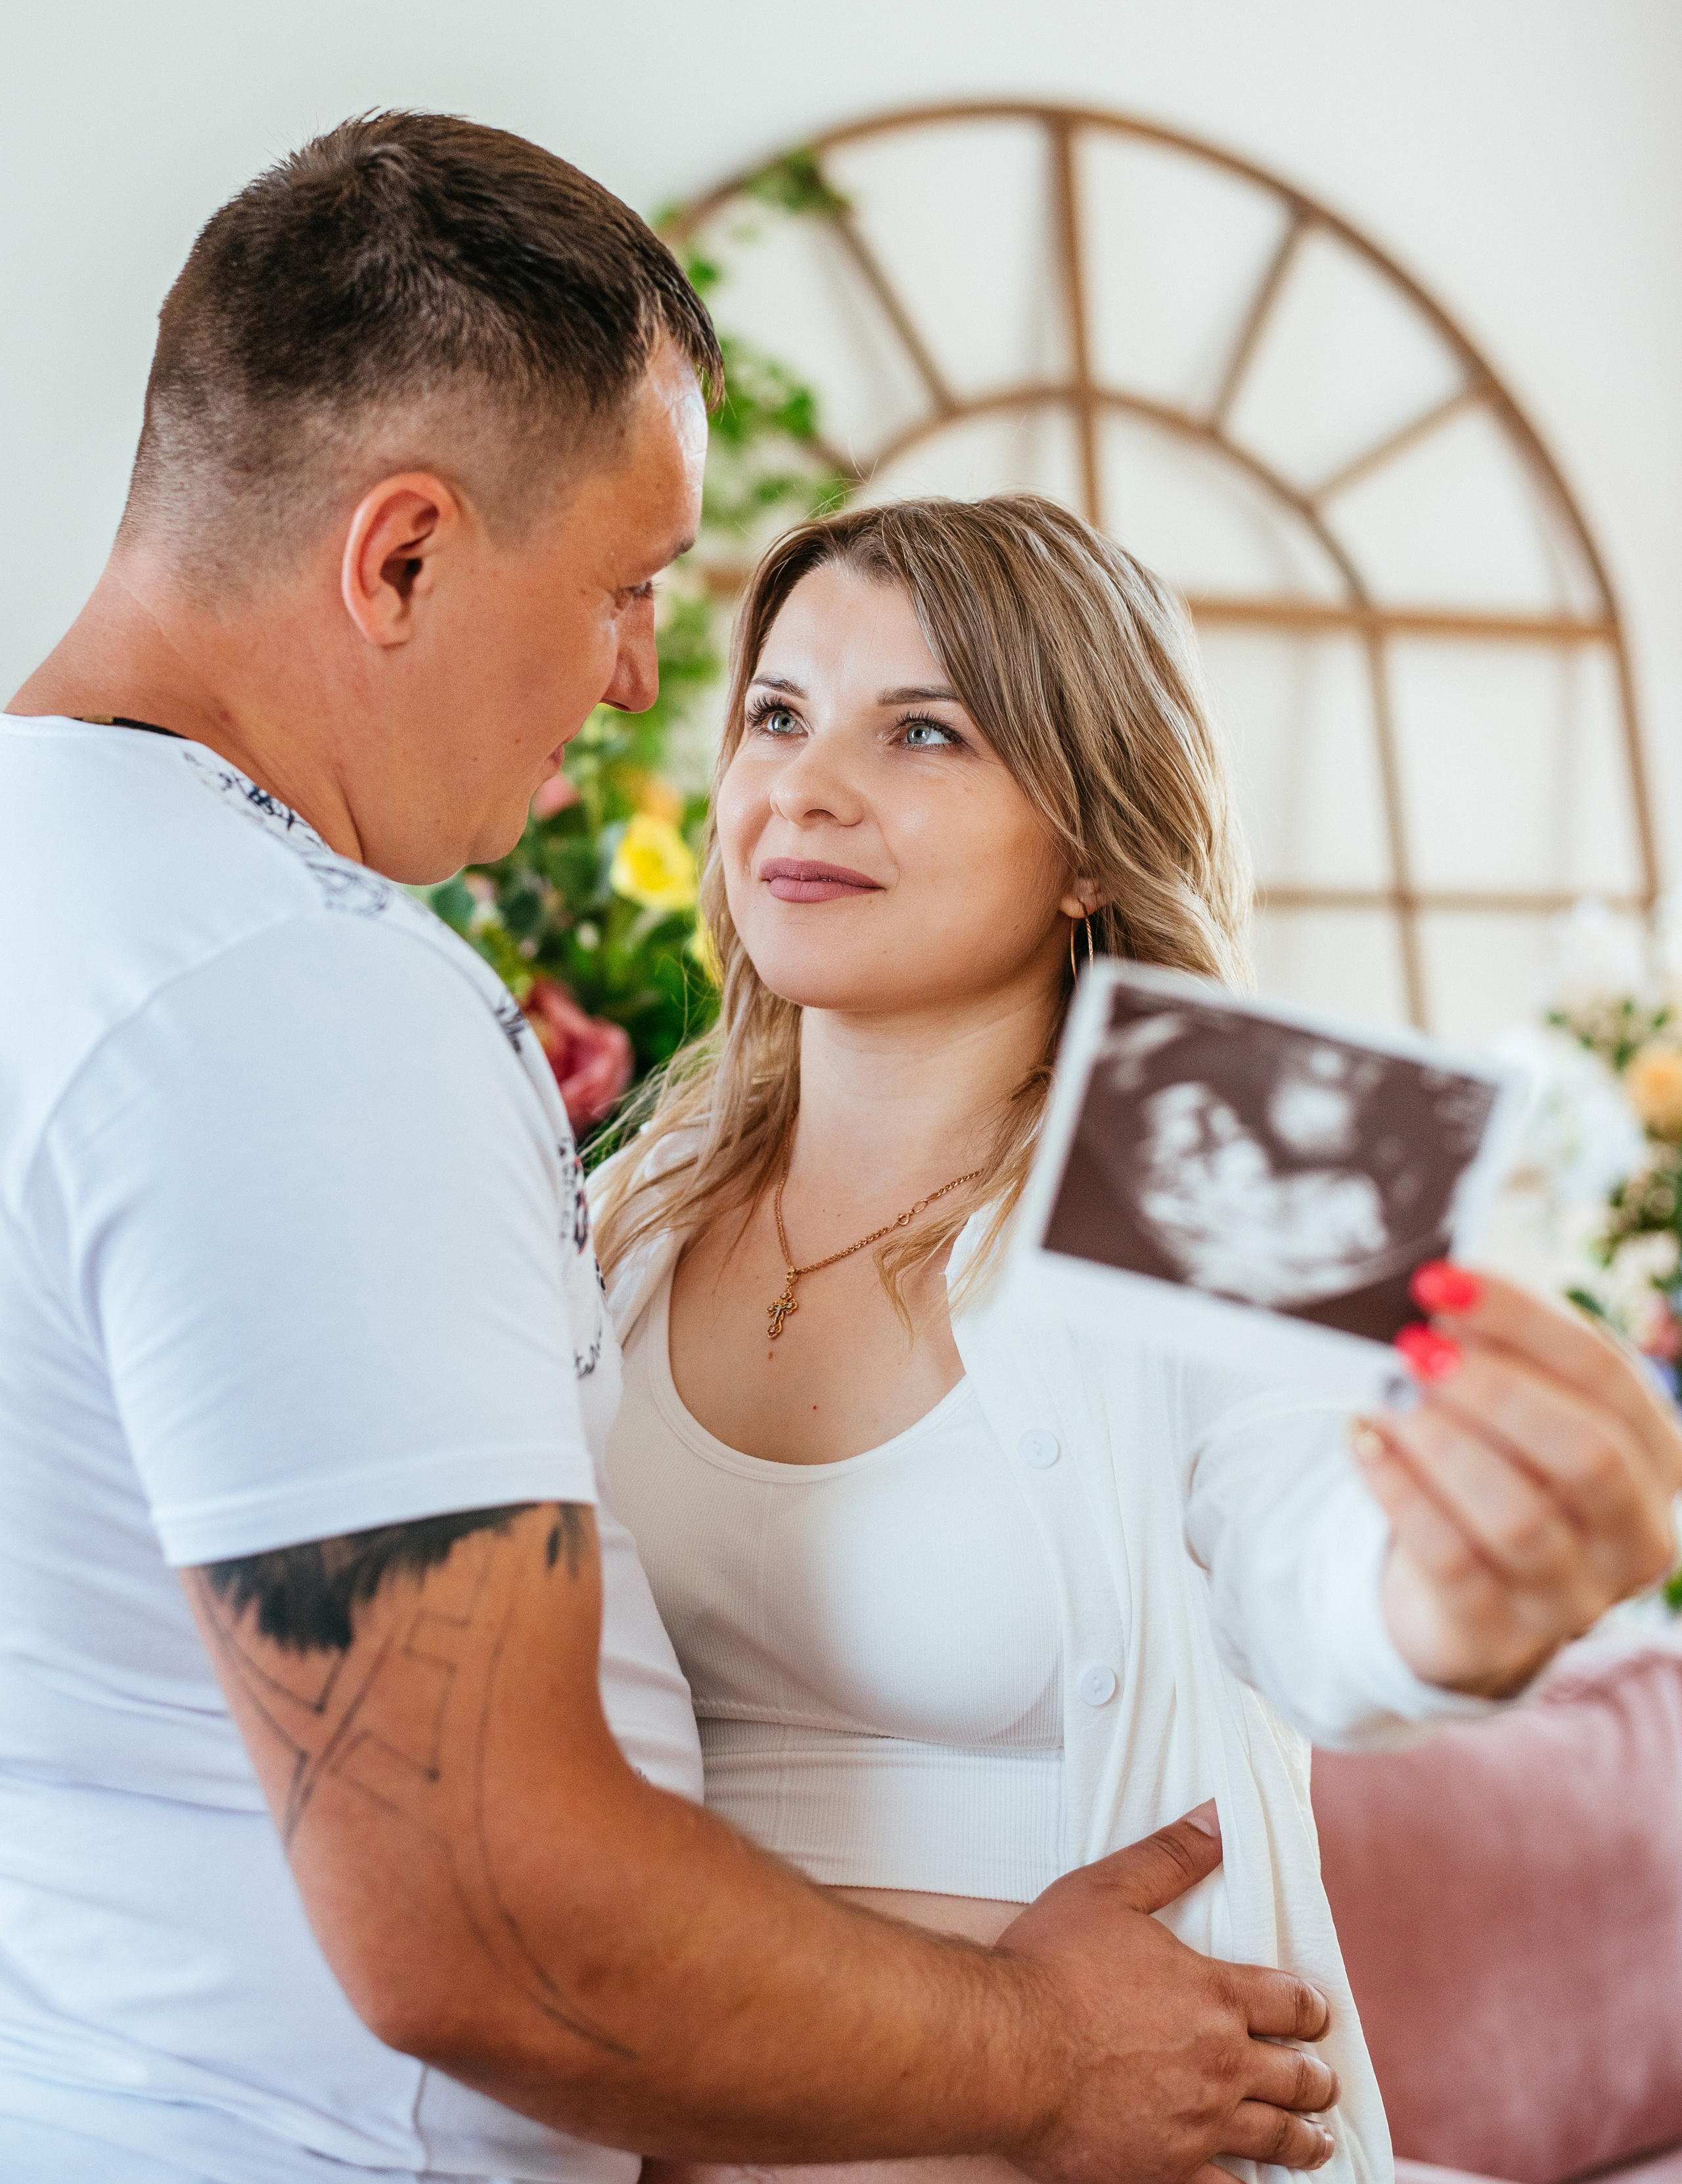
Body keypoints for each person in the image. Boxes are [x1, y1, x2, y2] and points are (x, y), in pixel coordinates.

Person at [0, 117, 1355, 2184]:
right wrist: (1028, 2039)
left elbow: (1350, 1574)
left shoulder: (1227, 1112)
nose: (667, 703)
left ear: (1097, 817)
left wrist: (1490, 1579)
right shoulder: (572, 1138)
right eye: (754, 691)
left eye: (925, 725)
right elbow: (494, 1889)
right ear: (404, 556)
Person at [592, 491, 1682, 2184]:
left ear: (1091, 839)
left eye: (927, 732)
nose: (803, 788)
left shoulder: (1204, 1177)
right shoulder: (634, 1201)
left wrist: (1449, 1605)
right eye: (778, 717)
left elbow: (1316, 1567)